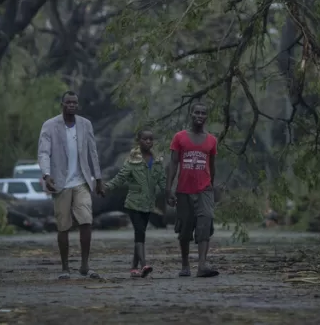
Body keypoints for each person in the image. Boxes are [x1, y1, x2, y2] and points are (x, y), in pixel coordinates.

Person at [37, 90, 105, 279]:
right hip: (60, 183)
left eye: (75, 102)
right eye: (68, 102)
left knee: (86, 221)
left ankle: (84, 265)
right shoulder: (50, 126)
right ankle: (65, 268)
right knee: (63, 226)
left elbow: (93, 152)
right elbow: (43, 152)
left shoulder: (85, 124)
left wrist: (98, 179)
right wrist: (46, 174)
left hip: (82, 180)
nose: (72, 105)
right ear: (62, 104)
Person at [166, 103, 219, 278]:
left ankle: (202, 265)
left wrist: (212, 186)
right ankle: (185, 264)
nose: (199, 115)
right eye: (197, 112)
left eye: (203, 113)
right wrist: (169, 189)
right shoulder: (179, 137)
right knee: (185, 229)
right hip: (184, 189)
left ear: (206, 117)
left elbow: (212, 165)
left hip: (204, 189)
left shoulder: (211, 140)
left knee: (206, 221)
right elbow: (173, 163)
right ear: (191, 114)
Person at [105, 129, 166, 278]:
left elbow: (162, 181)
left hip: (148, 204)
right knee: (140, 233)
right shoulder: (132, 160)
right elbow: (120, 178)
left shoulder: (157, 161)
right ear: (139, 140)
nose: (148, 142)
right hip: (133, 203)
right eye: (145, 139)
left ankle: (133, 267)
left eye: (151, 139)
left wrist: (170, 194)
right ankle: (144, 265)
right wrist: (106, 187)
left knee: (140, 235)